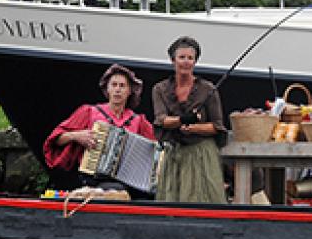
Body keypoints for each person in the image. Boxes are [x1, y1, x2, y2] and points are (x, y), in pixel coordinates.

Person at [43, 64, 155, 194]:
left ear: (130, 91)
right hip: (92, 179)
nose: (117, 89)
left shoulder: (138, 121)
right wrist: (76, 136)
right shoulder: (89, 112)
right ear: (107, 89)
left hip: (127, 183)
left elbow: (155, 147)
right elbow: (56, 140)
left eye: (122, 86)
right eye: (114, 85)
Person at [152, 36, 229, 204]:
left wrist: (194, 128)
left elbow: (217, 126)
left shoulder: (208, 89)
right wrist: (182, 120)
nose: (186, 62)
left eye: (190, 58)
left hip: (201, 154)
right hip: (174, 153)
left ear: (195, 62)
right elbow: (161, 120)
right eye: (182, 57)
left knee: (201, 202)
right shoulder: (160, 89)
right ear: (173, 60)